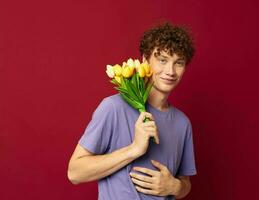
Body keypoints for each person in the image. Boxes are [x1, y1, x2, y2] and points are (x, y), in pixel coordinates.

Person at [67, 22, 197, 200]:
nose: (170, 71)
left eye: (179, 63)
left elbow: (185, 183)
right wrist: (134, 149)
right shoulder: (113, 108)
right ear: (145, 60)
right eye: (163, 60)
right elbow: (75, 173)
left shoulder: (183, 123)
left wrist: (175, 186)